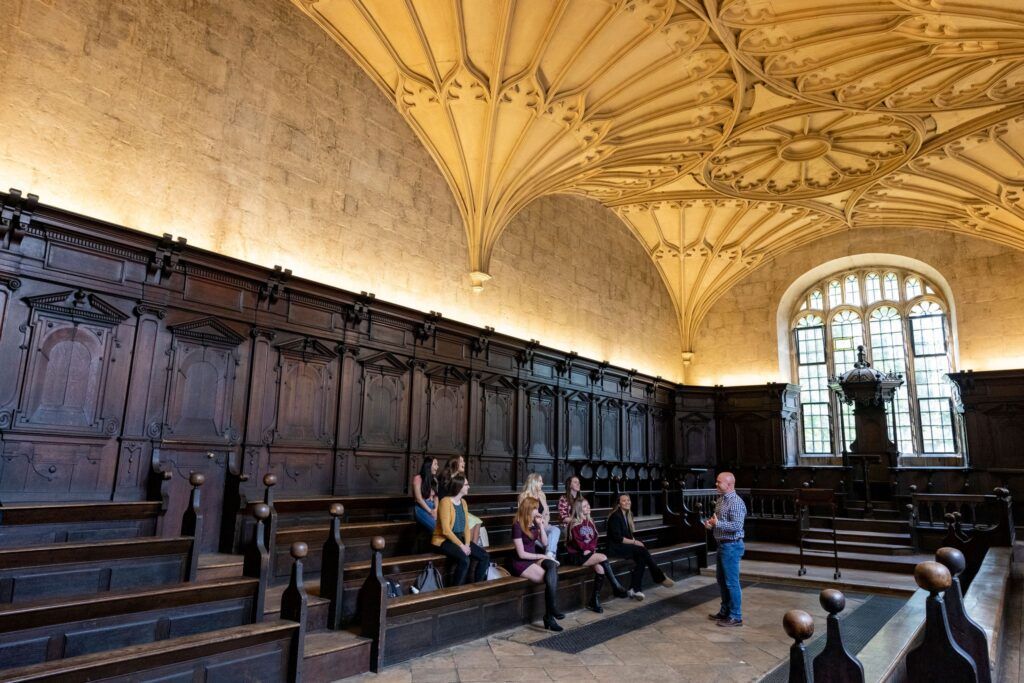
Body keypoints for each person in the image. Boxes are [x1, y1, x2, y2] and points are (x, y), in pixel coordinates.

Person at [606, 494, 673, 600]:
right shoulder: (615, 516)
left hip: (624, 546)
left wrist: (634, 542)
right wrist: (634, 542)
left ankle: (635, 589)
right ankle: (658, 576)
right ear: (619, 504)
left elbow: (628, 535)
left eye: (628, 500)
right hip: (615, 548)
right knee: (642, 550)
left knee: (642, 558)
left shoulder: (628, 515)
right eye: (624, 501)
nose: (627, 502)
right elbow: (617, 538)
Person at [511, 496, 564, 631]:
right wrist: (541, 555)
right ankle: (550, 615)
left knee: (552, 567)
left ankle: (550, 614)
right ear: (528, 508)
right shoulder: (517, 525)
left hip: (533, 558)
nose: (537, 510)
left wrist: (540, 525)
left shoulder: (534, 523)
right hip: (522, 562)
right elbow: (521, 554)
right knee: (549, 577)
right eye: (535, 508)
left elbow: (545, 543)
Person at [566, 497, 627, 612]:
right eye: (584, 506)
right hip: (577, 555)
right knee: (603, 557)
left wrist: (591, 549)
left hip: (588, 553)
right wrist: (586, 549)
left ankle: (594, 601)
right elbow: (577, 542)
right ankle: (616, 586)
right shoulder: (573, 524)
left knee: (600, 570)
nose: (588, 507)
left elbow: (594, 538)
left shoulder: (590, 522)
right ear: (579, 509)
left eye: (588, 505)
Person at [705, 471, 746, 627]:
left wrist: (718, 524)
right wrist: (710, 524)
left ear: (729, 484)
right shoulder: (721, 500)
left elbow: (737, 526)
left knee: (732, 583)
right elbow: (719, 521)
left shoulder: (735, 501)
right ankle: (725, 611)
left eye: (719, 482)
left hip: (732, 546)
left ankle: (736, 616)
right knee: (722, 581)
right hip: (722, 545)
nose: (716, 484)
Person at [432, 473, 490, 585]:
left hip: (459, 538)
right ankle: (457, 591)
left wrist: (467, 544)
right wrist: (462, 546)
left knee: (484, 556)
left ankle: (478, 586)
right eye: (466, 485)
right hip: (443, 540)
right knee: (464, 560)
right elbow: (445, 530)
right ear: (459, 487)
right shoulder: (445, 502)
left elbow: (466, 527)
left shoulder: (463, 502)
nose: (469, 487)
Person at [439, 455, 485, 544]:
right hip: (448, 509)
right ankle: (468, 546)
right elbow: (443, 497)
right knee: (470, 523)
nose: (464, 463)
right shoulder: (447, 477)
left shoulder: (460, 478)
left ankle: (472, 547)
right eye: (461, 461)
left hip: (457, 507)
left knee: (478, 521)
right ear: (455, 463)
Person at [518, 473, 560, 559]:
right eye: (540, 481)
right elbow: (522, 515)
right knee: (550, 544)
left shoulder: (542, 494)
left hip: (542, 525)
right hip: (530, 528)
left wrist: (543, 525)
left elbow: (547, 512)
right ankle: (550, 557)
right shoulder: (523, 496)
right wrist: (535, 526)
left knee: (555, 530)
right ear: (534, 482)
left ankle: (549, 554)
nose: (542, 483)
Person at [411, 456, 438, 531]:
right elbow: (419, 499)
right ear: (429, 465)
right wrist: (430, 511)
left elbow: (436, 497)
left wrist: (436, 509)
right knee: (437, 529)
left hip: (433, 506)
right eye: (435, 464)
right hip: (422, 508)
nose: (437, 467)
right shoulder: (418, 478)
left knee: (447, 527)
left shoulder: (434, 479)